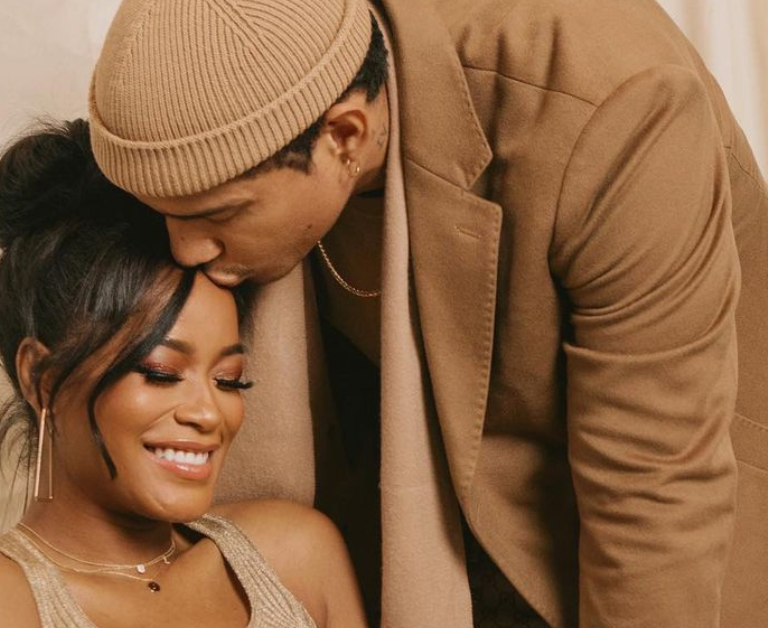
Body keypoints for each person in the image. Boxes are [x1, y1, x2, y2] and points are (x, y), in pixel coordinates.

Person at [87, 0, 768, 627]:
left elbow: (652, 490)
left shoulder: (613, 105)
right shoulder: (258, 103)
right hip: (411, 510)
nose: (184, 251)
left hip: (654, 517)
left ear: (344, 136)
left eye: (217, 214)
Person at [0, 120, 368, 628]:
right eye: (162, 373)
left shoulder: (297, 557)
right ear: (41, 376)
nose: (209, 413)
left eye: (229, 380)